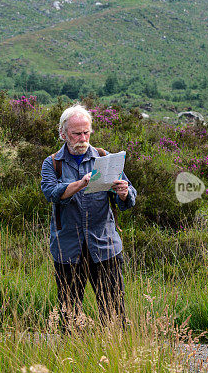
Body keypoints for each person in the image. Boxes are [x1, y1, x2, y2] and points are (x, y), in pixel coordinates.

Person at [40, 104, 136, 330]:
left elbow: (128, 198)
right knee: (69, 315)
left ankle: (115, 357)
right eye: (76, 134)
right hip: (68, 249)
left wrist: (124, 193)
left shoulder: (105, 159)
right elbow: (51, 193)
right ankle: (72, 359)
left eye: (86, 132)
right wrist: (81, 183)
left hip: (105, 247)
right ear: (63, 134)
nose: (83, 138)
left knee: (113, 313)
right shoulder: (52, 163)